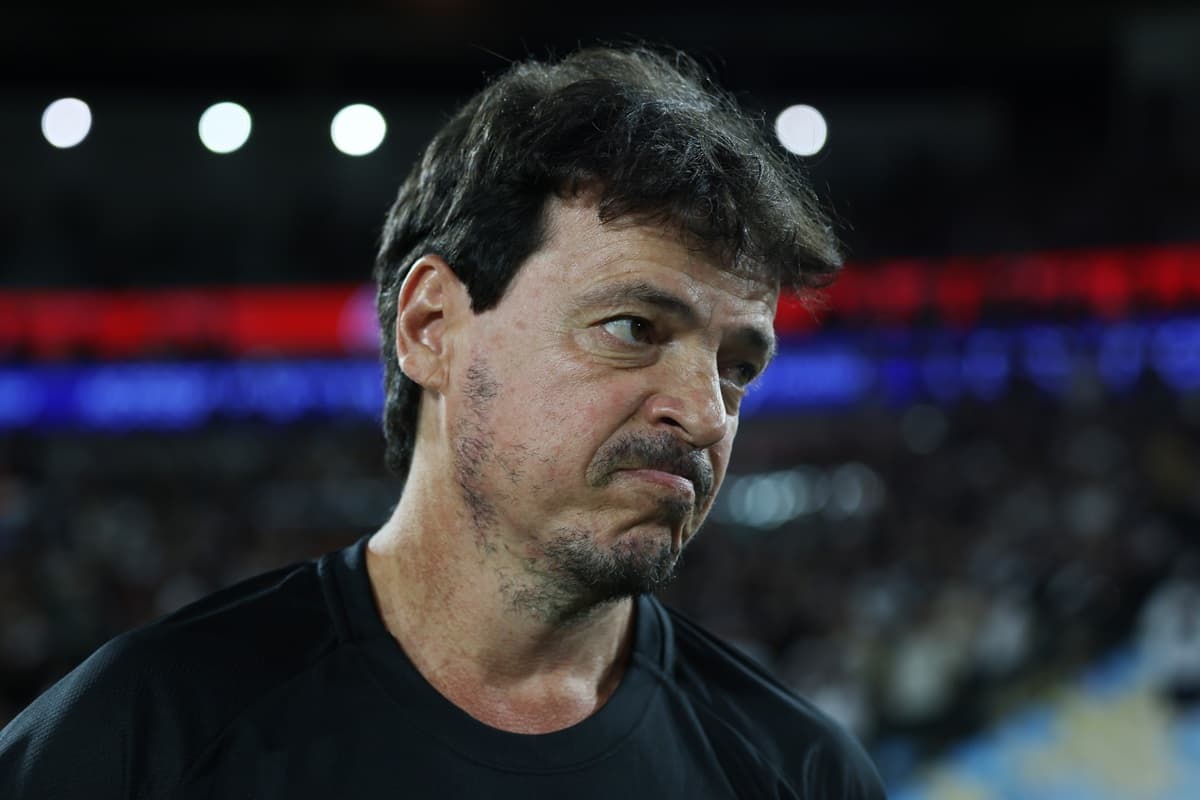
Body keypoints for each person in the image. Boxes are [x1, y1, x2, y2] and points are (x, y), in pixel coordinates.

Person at [0, 46, 885, 798]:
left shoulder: (800, 775)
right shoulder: (140, 739)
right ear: (430, 328)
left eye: (739, 368)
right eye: (633, 329)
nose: (703, 413)